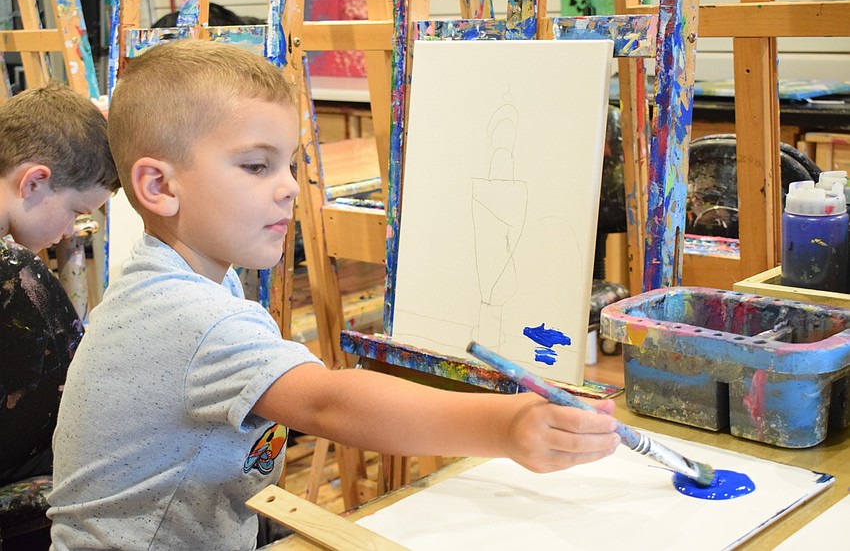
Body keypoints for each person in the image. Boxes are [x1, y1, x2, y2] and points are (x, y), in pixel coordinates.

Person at [47, 40, 621, 550]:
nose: (290, 186)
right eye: (256, 166)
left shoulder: (172, 279)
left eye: (289, 164)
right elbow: (329, 402)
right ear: (159, 186)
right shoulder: (188, 316)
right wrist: (507, 425)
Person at [0, 82, 119, 485]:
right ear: (33, 182)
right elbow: (73, 404)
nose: (71, 228)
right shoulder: (14, 271)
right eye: (75, 211)